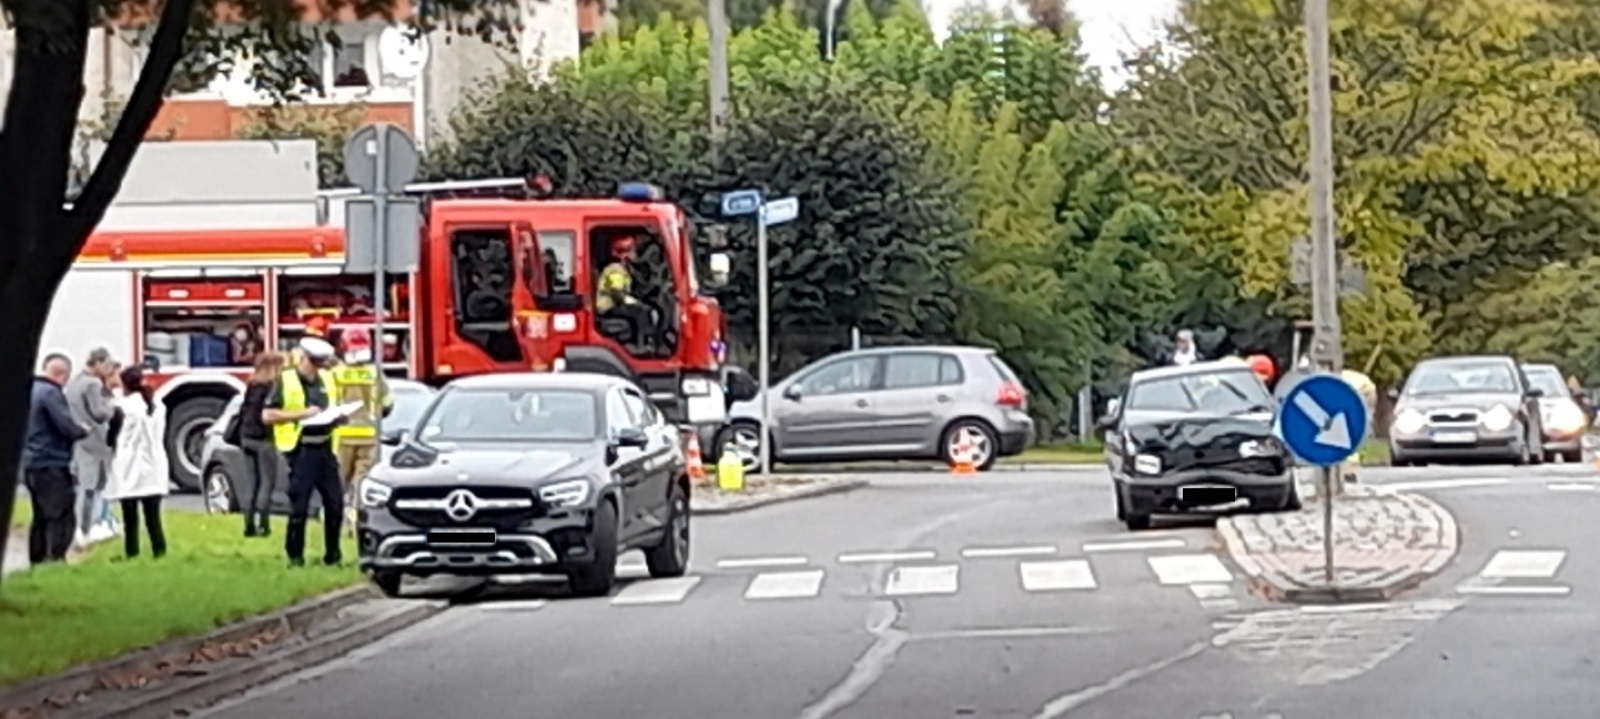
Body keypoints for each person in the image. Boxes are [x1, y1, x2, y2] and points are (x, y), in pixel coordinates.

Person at [263, 337, 344, 567]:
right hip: (301, 451)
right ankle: (295, 556)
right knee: (299, 507)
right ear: (304, 359)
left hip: (325, 449)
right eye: (314, 363)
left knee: (335, 504)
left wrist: (338, 418)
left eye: (321, 364)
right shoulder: (286, 380)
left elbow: (330, 407)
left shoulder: (327, 379)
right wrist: (301, 414)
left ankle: (333, 555)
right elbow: (267, 415)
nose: (317, 369)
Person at [25, 354, 89, 565]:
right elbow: (65, 426)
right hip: (52, 461)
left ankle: (37, 558)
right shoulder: (51, 393)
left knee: (40, 515)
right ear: (62, 374)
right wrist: (82, 431)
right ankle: (55, 558)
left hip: (31, 462)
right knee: (59, 514)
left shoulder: (31, 390)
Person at [104, 366, 168, 559]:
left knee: (130, 517)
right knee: (153, 516)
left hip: (128, 465)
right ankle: (159, 551)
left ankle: (132, 553)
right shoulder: (157, 405)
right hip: (154, 463)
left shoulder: (121, 408)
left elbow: (110, 438)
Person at [66, 347, 119, 547]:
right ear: (96, 364)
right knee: (95, 487)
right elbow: (98, 412)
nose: (108, 369)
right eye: (106, 365)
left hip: (80, 440)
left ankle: (85, 528)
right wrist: (113, 409)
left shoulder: (75, 382)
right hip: (97, 441)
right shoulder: (93, 384)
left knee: (84, 486)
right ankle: (90, 527)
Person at [237, 352, 285, 537]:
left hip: (246, 437)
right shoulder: (272, 387)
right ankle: (264, 525)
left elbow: (244, 410)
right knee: (267, 483)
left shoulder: (252, 385)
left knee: (252, 484)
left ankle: (248, 525)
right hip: (263, 439)